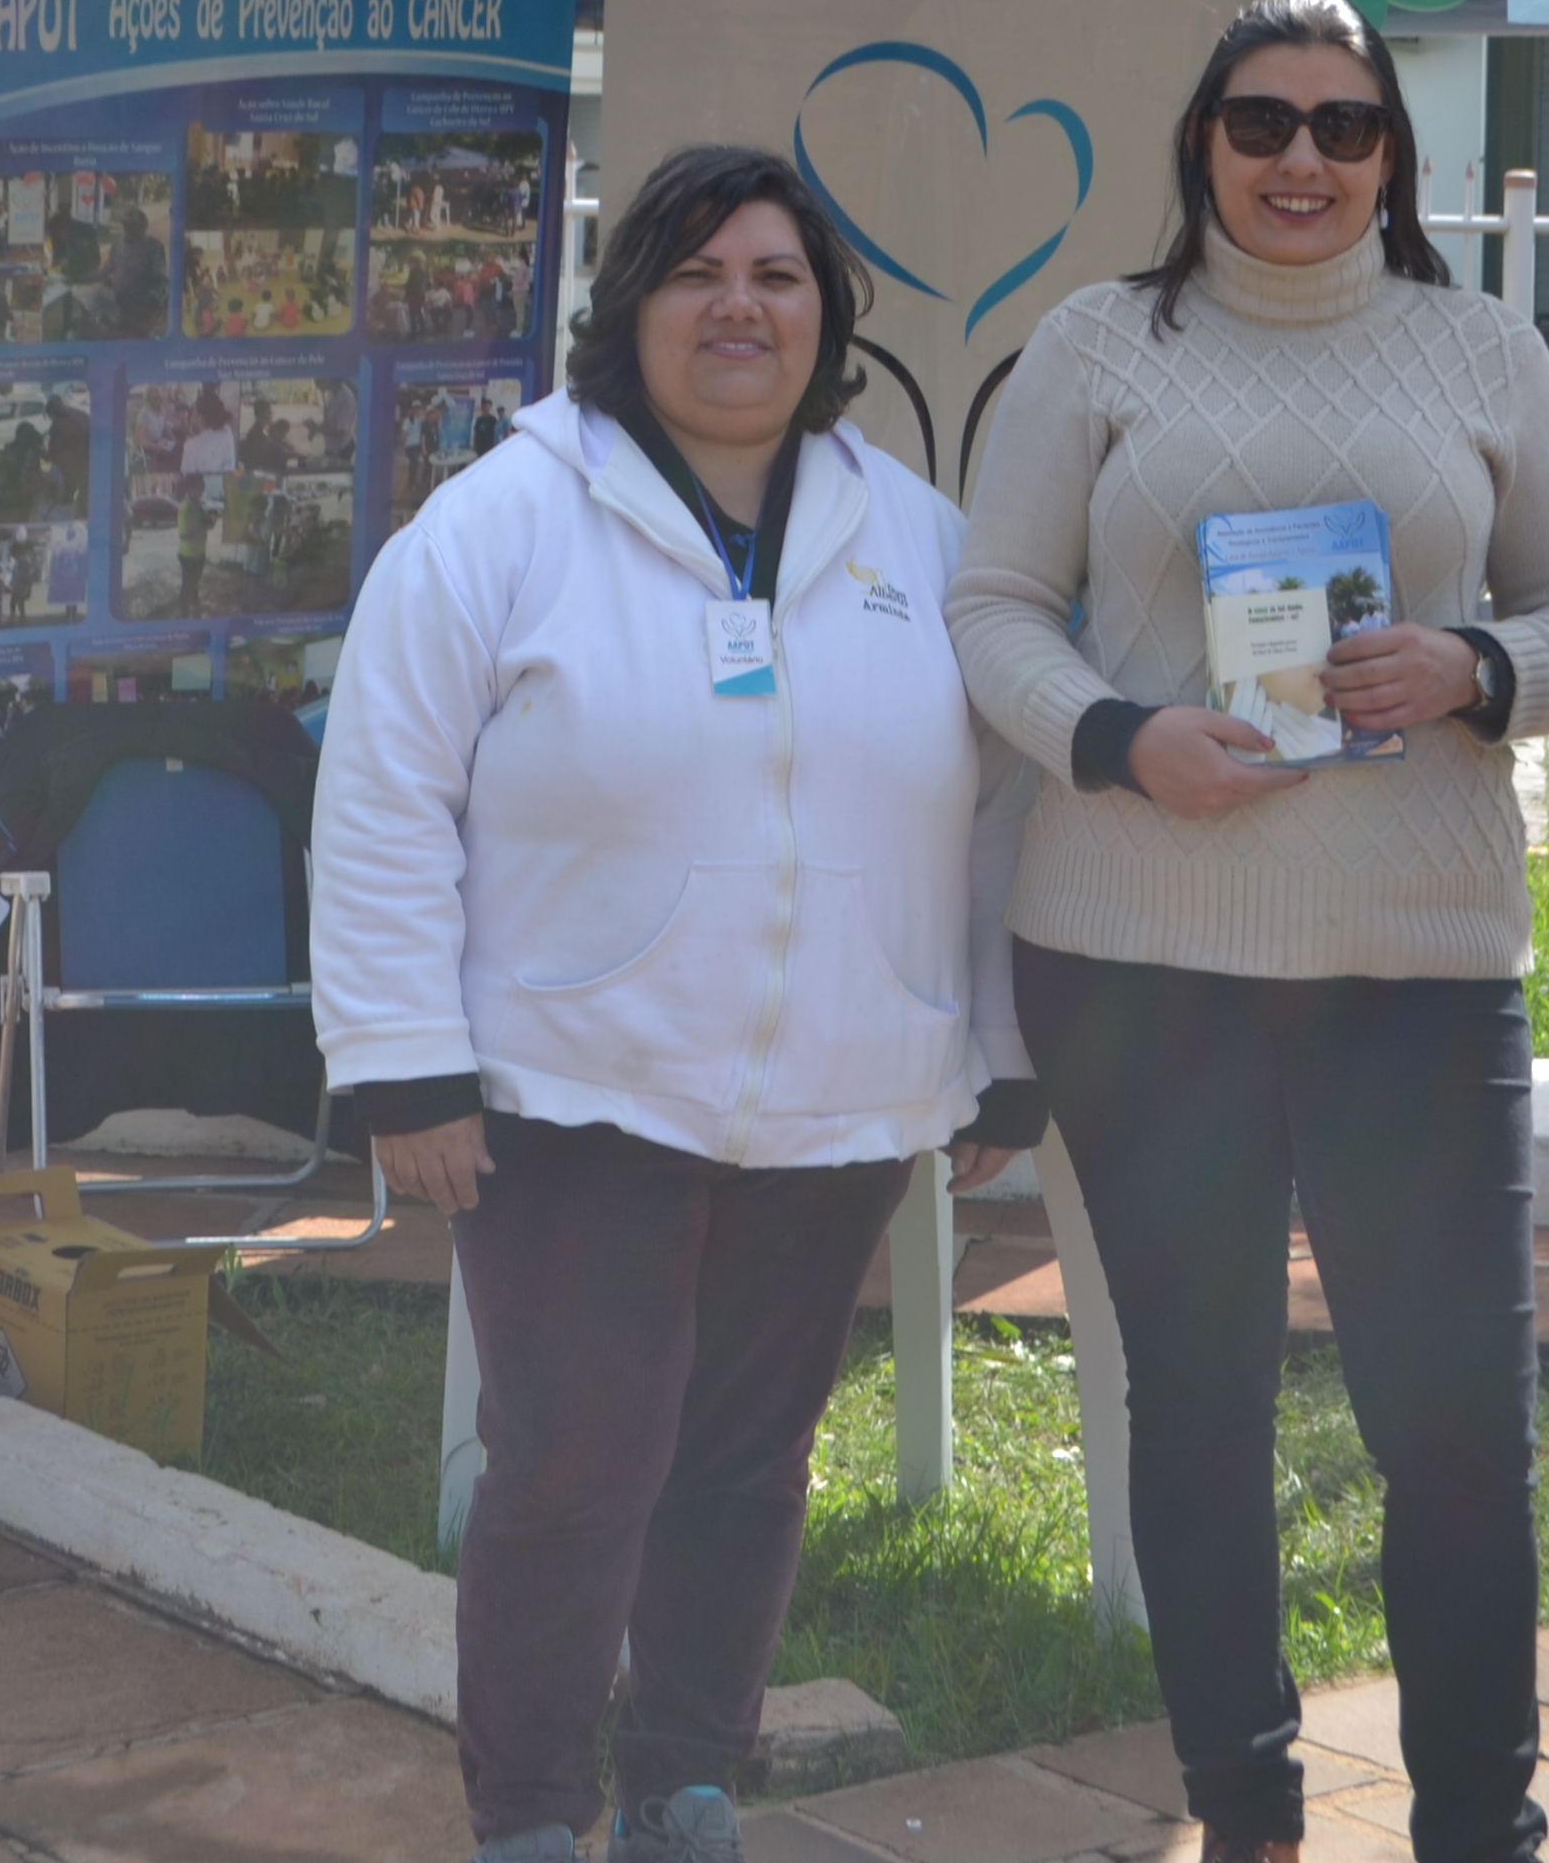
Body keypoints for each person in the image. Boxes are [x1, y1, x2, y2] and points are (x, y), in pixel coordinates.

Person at [949, 0, 1549, 1863]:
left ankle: (1480, 1827)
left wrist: (1474, 665)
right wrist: (1119, 738)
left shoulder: (1484, 349)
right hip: (1137, 960)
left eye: (1346, 126)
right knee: (1199, 1405)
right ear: (1204, 144)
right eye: (1263, 123)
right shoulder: (1095, 344)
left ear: (1392, 155)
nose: (1304, 159)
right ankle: (1245, 1806)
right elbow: (991, 605)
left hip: (1415, 965)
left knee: (1457, 1427)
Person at [317, 143, 1042, 1863]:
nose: (739, 308)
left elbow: (1002, 814)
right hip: (573, 1087)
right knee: (577, 1468)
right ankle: (528, 1814)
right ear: (628, 305)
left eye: (777, 278)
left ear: (828, 320)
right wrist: (405, 1063)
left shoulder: (915, 534)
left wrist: (998, 1052)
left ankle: (685, 1782)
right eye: (697, 274)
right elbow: (385, 786)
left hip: (841, 1090)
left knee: (746, 1461)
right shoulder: (501, 522)